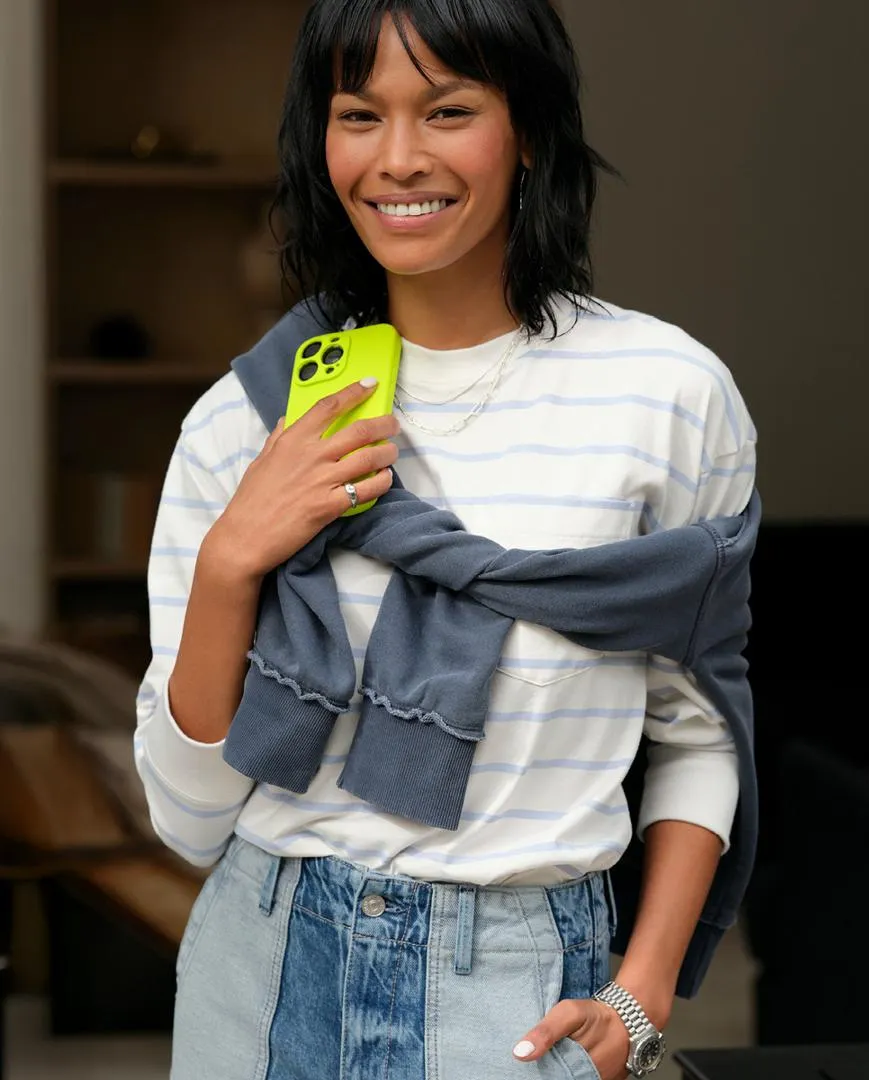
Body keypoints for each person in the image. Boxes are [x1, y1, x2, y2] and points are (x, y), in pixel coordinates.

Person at [134, 1, 757, 1078]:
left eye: (449, 109)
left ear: (529, 131)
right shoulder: (248, 417)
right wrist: (236, 557)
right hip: (266, 962)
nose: (399, 158)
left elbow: (696, 726)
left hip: (518, 987)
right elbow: (189, 821)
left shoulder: (667, 397)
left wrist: (645, 987)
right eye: (358, 114)